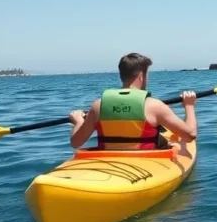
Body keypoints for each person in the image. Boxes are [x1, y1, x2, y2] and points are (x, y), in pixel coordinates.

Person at [68, 53, 198, 150]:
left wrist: (78, 121)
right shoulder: (155, 106)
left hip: (108, 161)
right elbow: (190, 135)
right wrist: (189, 105)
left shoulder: (98, 106)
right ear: (141, 76)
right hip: (144, 162)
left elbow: (76, 142)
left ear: (121, 75)